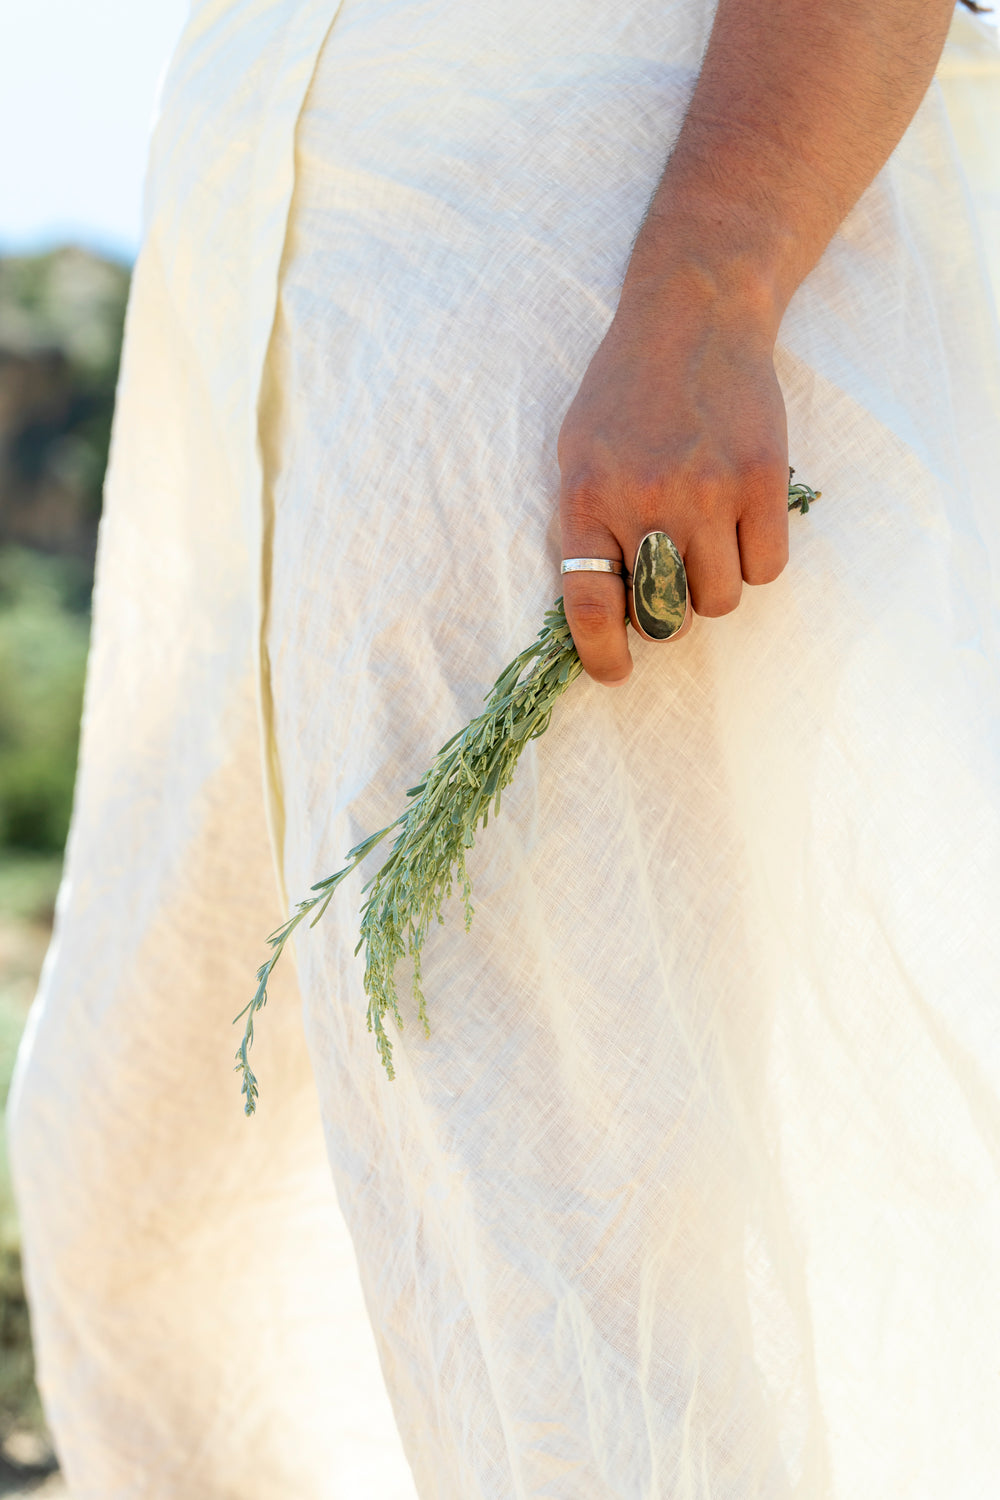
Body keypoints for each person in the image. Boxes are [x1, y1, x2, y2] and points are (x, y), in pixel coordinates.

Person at [7, 0, 1000, 1494]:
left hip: (592, 311)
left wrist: (712, 275)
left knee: (600, 1287)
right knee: (142, 1218)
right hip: (267, 345)